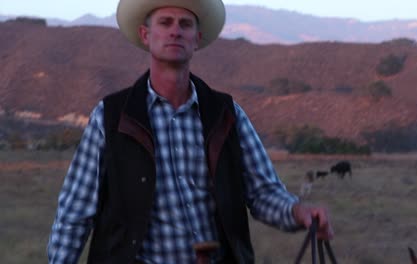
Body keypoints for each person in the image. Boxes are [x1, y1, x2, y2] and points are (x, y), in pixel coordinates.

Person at [47, 0, 333, 263]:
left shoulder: (226, 114)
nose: (175, 31)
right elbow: (75, 212)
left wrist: (298, 212)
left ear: (196, 39)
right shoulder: (110, 117)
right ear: (146, 36)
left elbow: (263, 192)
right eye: (165, 22)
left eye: (185, 24)